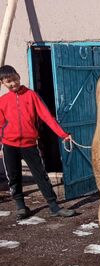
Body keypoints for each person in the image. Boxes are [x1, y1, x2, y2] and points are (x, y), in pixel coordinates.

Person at [0, 65, 76, 220]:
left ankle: (54, 207)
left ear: (19, 76)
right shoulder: (2, 101)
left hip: (29, 145)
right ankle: (21, 207)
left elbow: (47, 117)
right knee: (13, 177)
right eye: (9, 81)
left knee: (41, 176)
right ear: (3, 83)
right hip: (9, 145)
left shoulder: (32, 96)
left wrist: (63, 135)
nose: (13, 83)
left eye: (15, 79)